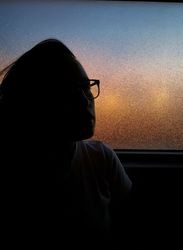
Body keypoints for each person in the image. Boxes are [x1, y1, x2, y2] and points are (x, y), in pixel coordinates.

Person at [0, 38, 132, 248]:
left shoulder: (102, 159)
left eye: (86, 86)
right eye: (67, 90)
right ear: (35, 100)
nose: (85, 100)